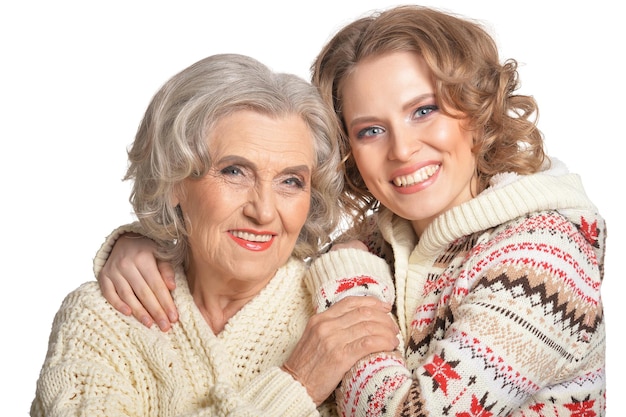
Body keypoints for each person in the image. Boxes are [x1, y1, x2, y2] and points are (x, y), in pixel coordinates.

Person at [96, 5, 607, 416]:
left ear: (476, 110)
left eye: (423, 110)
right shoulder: (388, 240)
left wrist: (350, 274)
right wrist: (145, 243)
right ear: (349, 153)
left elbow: (412, 411)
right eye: (370, 129)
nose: (403, 150)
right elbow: (251, 238)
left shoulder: (545, 257)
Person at [30, 53, 401, 417]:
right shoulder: (101, 318)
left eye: (291, 181)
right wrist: (295, 385)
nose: (264, 211)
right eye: (235, 172)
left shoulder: (342, 307)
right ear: (174, 180)